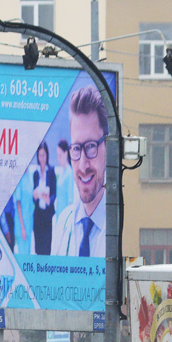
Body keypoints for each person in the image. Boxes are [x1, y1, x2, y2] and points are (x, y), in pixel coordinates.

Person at [52, 87, 107, 257]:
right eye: (76, 148)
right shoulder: (62, 224)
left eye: (91, 146)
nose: (83, 165)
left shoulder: (121, 228)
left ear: (108, 147)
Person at [31, 141, 57, 255]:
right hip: (38, 216)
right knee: (38, 247)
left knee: (46, 247)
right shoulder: (35, 174)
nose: (42, 158)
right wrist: (35, 196)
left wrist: (49, 201)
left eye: (43, 155)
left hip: (47, 216)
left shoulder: (51, 171)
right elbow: (33, 197)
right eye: (40, 156)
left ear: (47, 155)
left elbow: (54, 193)